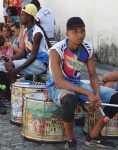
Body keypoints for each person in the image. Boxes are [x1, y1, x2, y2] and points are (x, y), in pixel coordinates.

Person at [46, 17, 118, 149]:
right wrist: (87, 93)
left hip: (77, 83)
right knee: (70, 99)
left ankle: (94, 135)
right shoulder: (56, 50)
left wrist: (96, 93)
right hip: (56, 86)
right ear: (67, 34)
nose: (80, 35)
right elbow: (59, 82)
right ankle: (71, 139)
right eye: (75, 32)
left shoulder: (88, 47)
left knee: (116, 97)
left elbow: (93, 75)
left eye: (82, 31)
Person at [5, 4, 49, 84]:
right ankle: (13, 92)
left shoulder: (37, 33)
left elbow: (33, 56)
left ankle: (12, 92)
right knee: (7, 64)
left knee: (10, 66)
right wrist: (11, 58)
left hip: (40, 64)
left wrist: (18, 69)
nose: (20, 17)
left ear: (29, 16)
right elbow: (24, 52)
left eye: (22, 15)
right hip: (33, 61)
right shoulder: (26, 31)